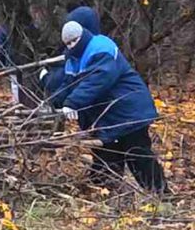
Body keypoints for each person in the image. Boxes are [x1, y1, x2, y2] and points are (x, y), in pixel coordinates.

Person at [49, 21, 167, 193]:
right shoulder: (73, 60)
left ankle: (161, 195)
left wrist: (73, 103)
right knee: (106, 158)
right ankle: (104, 196)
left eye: (74, 41)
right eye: (68, 43)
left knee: (138, 155)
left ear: (83, 35)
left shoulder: (101, 48)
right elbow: (68, 85)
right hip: (108, 118)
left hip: (128, 111)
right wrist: (54, 103)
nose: (72, 45)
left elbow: (97, 80)